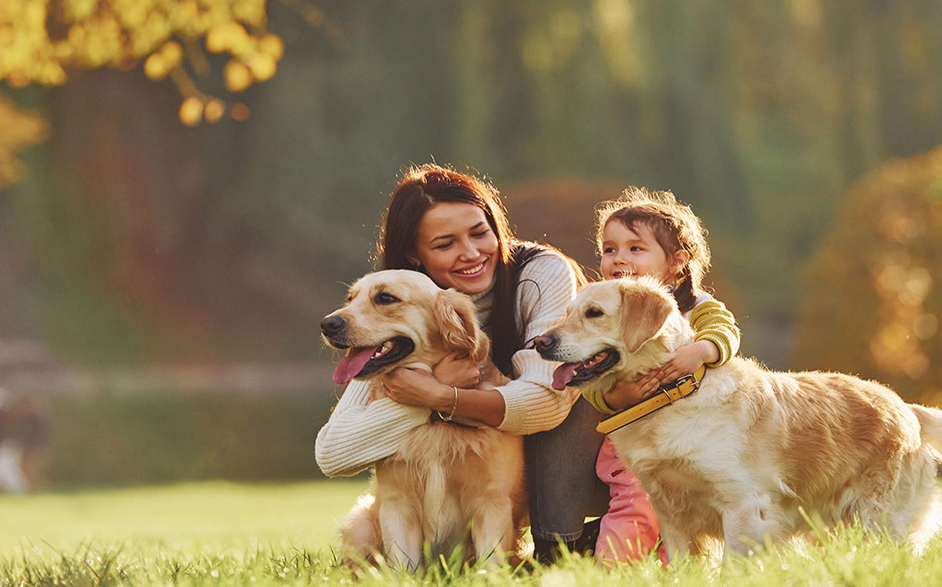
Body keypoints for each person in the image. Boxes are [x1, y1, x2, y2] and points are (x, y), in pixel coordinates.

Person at [314, 164, 609, 562]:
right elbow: (334, 454)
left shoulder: (539, 274)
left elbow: (546, 401)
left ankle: (560, 548)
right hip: (449, 477)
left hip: (545, 441)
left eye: (479, 232)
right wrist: (421, 398)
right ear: (412, 257)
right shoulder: (393, 307)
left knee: (573, 389)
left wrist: (440, 396)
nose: (471, 254)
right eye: (444, 243)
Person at [582, 186, 742, 563]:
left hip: (691, 440)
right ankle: (612, 571)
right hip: (633, 446)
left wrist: (702, 350)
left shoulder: (696, 307)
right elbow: (587, 377)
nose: (619, 258)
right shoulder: (608, 311)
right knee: (634, 511)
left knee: (684, 523)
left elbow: (727, 332)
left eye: (636, 248)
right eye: (609, 249)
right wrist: (613, 398)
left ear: (676, 262)